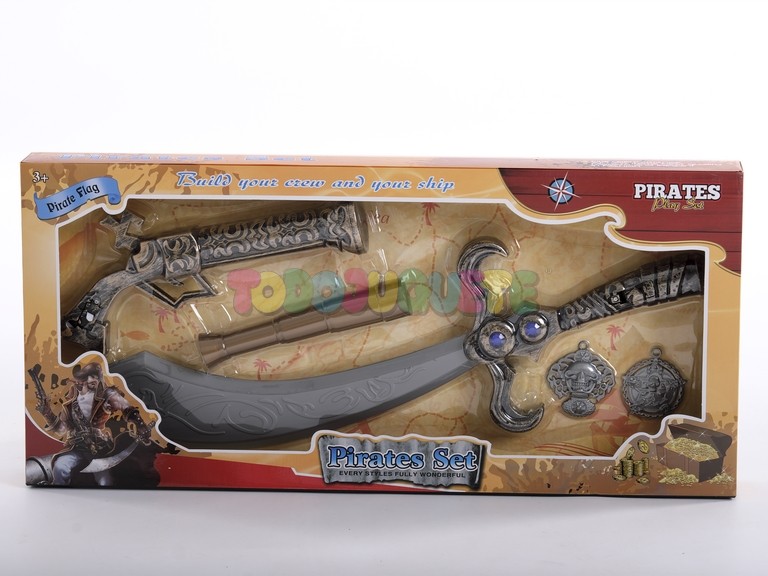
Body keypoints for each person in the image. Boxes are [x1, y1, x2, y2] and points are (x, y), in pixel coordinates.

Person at [37, 362, 153, 486]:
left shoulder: (106, 394)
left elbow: (125, 406)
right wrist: (47, 413)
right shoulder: (70, 404)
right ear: (81, 379)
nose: (92, 379)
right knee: (60, 467)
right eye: (89, 376)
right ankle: (57, 492)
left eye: (95, 376)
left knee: (105, 480)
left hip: (99, 447)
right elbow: (61, 429)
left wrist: (140, 424)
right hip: (76, 447)